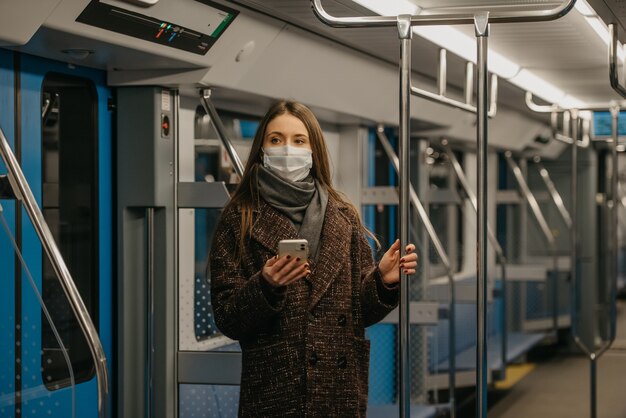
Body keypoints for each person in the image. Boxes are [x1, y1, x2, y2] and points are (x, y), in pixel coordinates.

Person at [209, 100, 418, 417]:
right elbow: (227, 318)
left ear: (313, 149)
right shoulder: (240, 218)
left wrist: (381, 281)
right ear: (262, 148)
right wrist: (265, 286)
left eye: (298, 140)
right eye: (276, 140)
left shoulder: (342, 216)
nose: (287, 150)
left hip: (338, 390)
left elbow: (360, 311)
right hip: (275, 392)